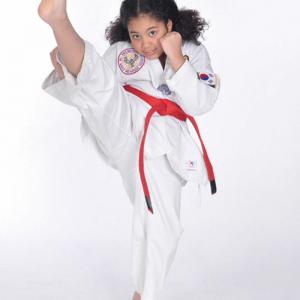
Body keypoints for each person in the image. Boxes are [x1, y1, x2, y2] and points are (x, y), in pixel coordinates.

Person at [38, 0, 221, 299]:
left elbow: (202, 103)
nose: (144, 44)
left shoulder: (193, 52)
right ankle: (59, 20)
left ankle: (142, 294)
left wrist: (178, 58)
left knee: (165, 225)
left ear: (169, 26)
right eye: (136, 35)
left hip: (164, 145)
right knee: (98, 88)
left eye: (152, 33)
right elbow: (87, 83)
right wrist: (64, 61)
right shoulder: (122, 53)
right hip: (124, 121)